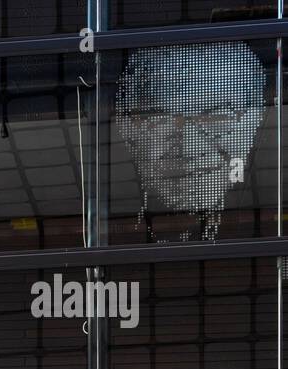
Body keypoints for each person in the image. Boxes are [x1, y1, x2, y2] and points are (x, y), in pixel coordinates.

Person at [114, 41, 268, 243]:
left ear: (254, 122)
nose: (188, 147)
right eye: (162, 119)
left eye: (217, 116)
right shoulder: (109, 236)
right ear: (127, 130)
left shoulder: (262, 233)